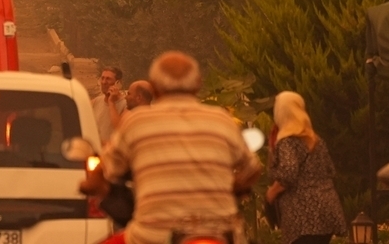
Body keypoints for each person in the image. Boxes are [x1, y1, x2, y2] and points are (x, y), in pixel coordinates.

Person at [81, 51, 263, 244]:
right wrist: (233, 188)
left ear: (156, 88)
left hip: (152, 236)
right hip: (222, 235)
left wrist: (92, 184)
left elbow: (106, 169)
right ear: (197, 84)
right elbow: (253, 168)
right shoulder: (221, 120)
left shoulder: (137, 122)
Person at [265, 92, 347, 244]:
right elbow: (330, 170)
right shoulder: (316, 140)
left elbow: (288, 172)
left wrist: (272, 191)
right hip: (327, 211)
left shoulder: (287, 142)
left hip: (302, 217)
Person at [93, 66, 127, 144]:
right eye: (102, 78)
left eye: (108, 79)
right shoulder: (96, 101)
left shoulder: (126, 104)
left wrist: (111, 103)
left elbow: (120, 130)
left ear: (118, 83)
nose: (104, 82)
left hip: (113, 153)